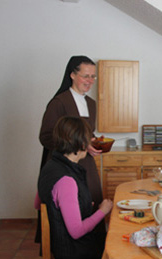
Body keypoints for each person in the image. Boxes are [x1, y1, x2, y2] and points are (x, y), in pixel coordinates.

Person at [37, 116, 113, 259]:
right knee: (121, 249)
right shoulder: (67, 180)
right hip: (73, 254)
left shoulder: (50, 166)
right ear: (81, 144)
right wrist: (103, 210)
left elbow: (39, 203)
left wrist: (76, 206)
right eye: (88, 139)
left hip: (61, 247)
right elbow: (77, 231)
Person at [36, 56, 104, 244]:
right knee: (72, 209)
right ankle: (73, 249)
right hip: (65, 167)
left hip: (86, 165)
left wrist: (93, 142)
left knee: (92, 202)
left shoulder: (91, 104)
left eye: (93, 76)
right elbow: (45, 137)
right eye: (85, 76)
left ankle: (93, 247)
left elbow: (86, 133)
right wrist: (79, 143)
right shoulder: (59, 102)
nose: (90, 81)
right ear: (72, 75)